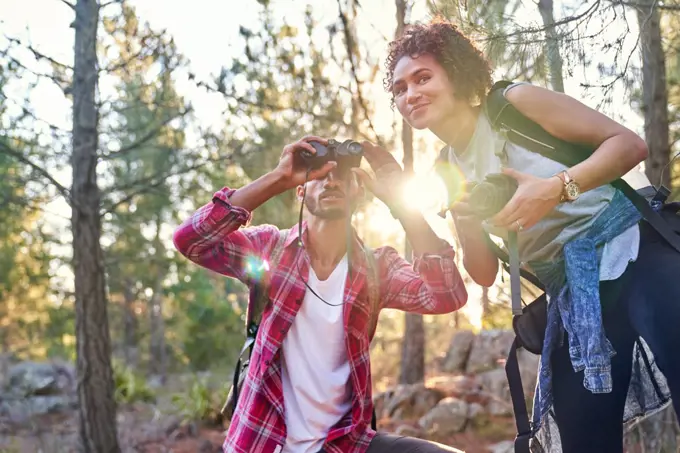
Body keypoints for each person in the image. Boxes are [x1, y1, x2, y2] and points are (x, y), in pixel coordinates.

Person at [383, 18, 680, 453]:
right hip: (575, 298)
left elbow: (629, 145)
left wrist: (556, 190)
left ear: (457, 75)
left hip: (633, 253)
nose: (410, 94)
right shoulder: (445, 170)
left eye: (422, 77)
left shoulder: (512, 103)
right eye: (399, 89)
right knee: (583, 440)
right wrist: (466, 216)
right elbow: (482, 273)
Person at [172, 135, 468, 453]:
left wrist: (401, 206)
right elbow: (191, 240)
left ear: (359, 190)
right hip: (263, 440)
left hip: (343, 443)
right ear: (301, 190)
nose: (331, 182)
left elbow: (447, 295)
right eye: (319, 175)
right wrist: (278, 178)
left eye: (342, 175)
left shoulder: (377, 267)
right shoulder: (270, 249)